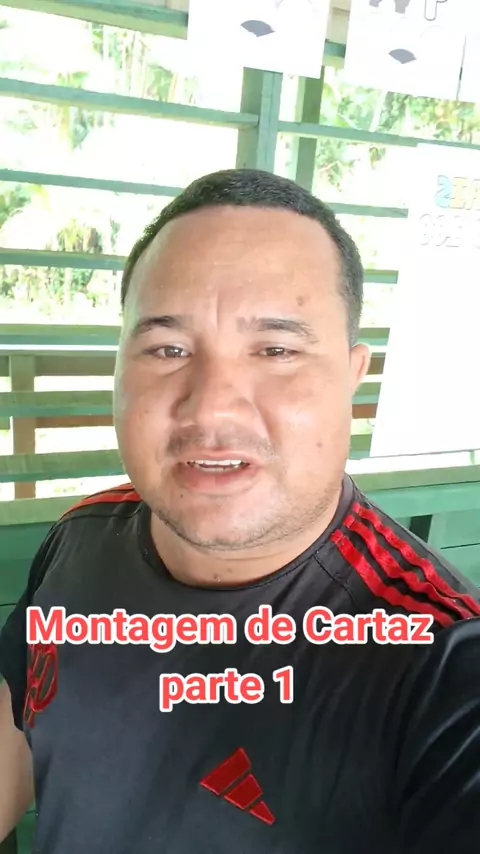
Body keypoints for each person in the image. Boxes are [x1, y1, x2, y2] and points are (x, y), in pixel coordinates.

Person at [0, 168, 479, 853]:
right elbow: (18, 737)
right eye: (168, 349)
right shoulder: (82, 537)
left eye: (277, 350)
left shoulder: (444, 666)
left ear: (352, 376)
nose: (212, 406)